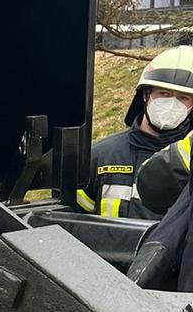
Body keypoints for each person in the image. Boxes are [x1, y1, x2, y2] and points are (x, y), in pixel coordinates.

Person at [76, 43, 193, 218]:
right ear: (146, 94)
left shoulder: (187, 162)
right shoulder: (100, 157)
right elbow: (70, 222)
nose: (171, 104)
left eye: (183, 98)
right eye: (164, 93)